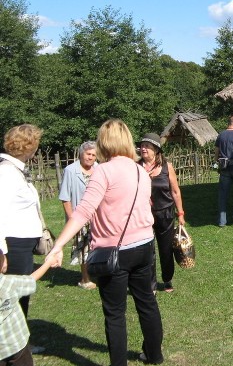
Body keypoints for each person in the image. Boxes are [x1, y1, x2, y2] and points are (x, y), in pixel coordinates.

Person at [47, 119, 164, 366]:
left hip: (114, 251)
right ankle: (154, 355)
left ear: (103, 142)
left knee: (114, 313)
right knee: (147, 302)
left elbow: (83, 211)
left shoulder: (103, 170)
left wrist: (58, 245)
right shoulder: (140, 171)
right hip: (144, 246)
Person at [0, 124, 46, 355]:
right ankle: (15, 347)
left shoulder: (16, 170)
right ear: (29, 146)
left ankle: (21, 343)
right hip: (13, 245)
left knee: (22, 295)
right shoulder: (7, 173)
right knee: (15, 296)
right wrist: (1, 251)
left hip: (22, 244)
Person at [138, 133, 185, 293]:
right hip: (144, 215)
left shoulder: (167, 166)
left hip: (165, 213)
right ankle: (150, 284)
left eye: (147, 146)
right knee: (147, 250)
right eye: (142, 145)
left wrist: (181, 214)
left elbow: (175, 191)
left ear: (156, 149)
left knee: (166, 249)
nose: (143, 148)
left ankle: (167, 279)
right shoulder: (136, 167)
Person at [0, 249, 54, 366]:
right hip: (17, 343)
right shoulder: (10, 283)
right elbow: (32, 279)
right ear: (3, 264)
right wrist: (48, 263)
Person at [58, 141, 98, 290]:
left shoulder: (98, 169)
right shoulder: (70, 170)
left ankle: (97, 273)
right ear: (81, 154)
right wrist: (72, 218)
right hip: (80, 215)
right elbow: (65, 197)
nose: (91, 158)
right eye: (88, 154)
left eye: (94, 155)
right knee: (83, 247)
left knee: (97, 245)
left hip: (97, 215)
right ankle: (85, 278)